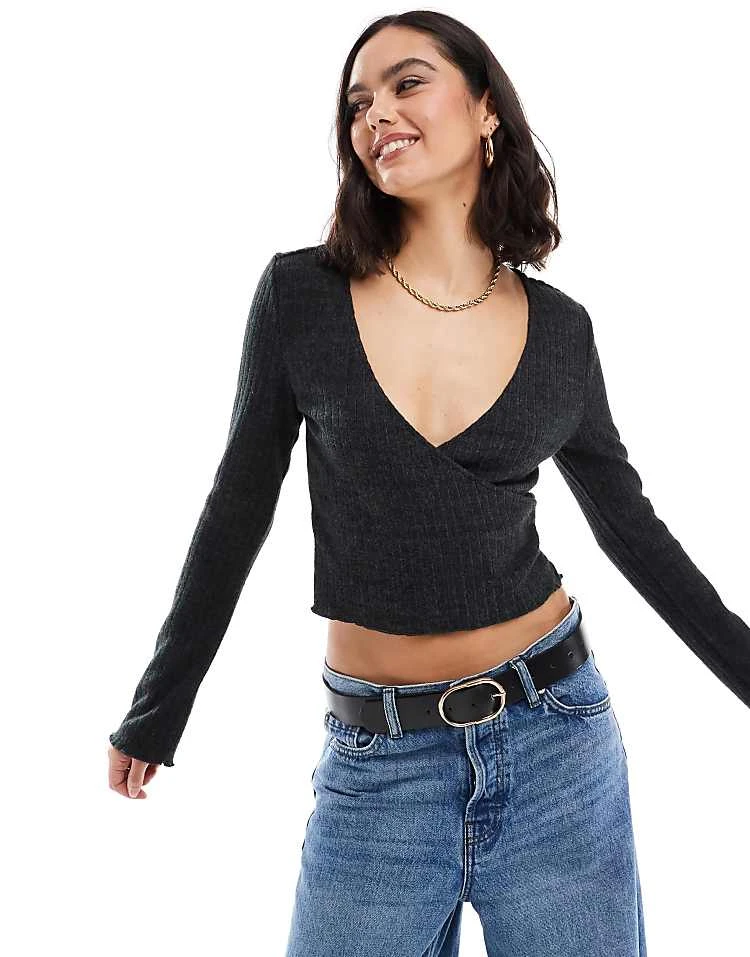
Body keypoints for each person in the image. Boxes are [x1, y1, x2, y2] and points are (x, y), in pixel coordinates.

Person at [108, 11, 750, 956]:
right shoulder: (301, 296)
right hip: (378, 764)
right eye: (357, 103)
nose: (376, 114)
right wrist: (160, 706)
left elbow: (632, 531)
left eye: (407, 83)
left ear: (486, 109)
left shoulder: (562, 330)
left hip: (557, 740)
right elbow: (234, 509)